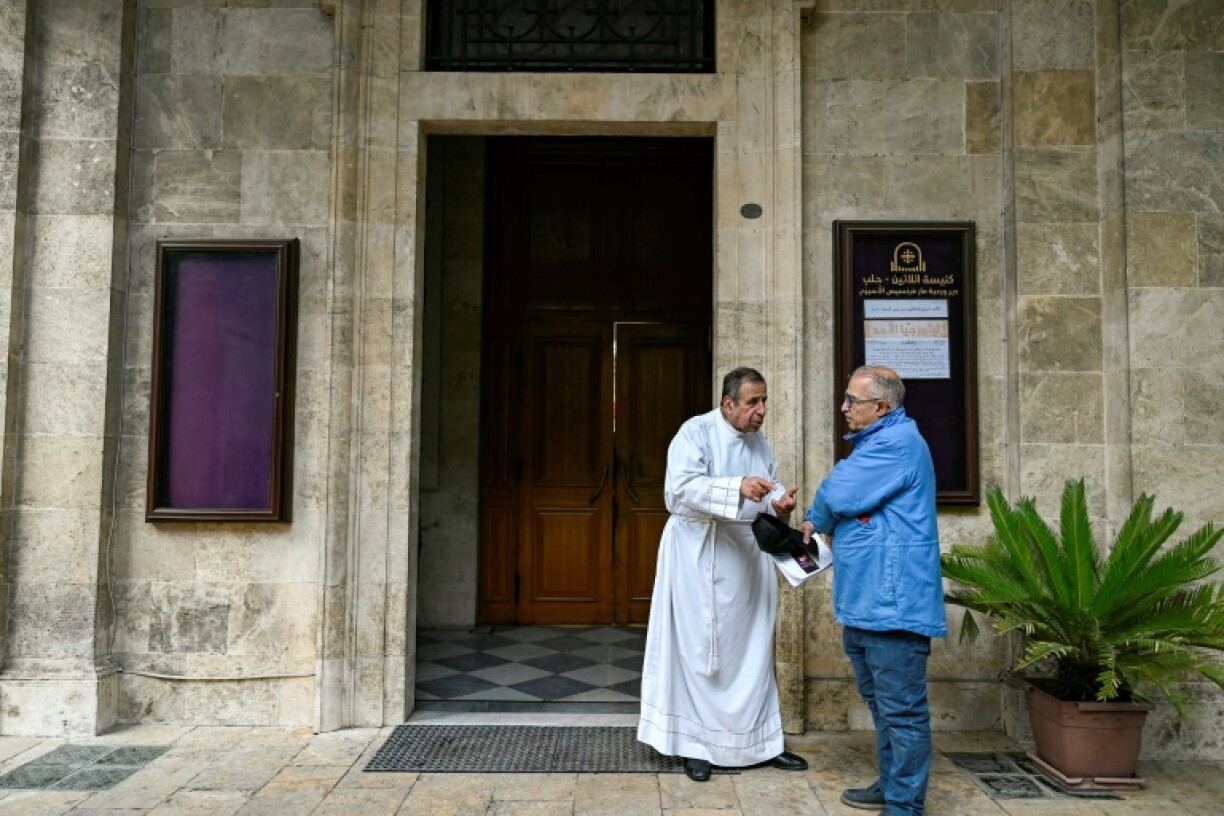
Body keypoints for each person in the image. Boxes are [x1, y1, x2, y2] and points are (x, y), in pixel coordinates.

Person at [637, 367, 809, 782]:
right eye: (752, 402)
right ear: (728, 403)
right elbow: (677, 490)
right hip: (699, 555)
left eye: (764, 401)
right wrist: (735, 487)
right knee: (701, 652)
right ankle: (697, 746)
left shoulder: (760, 442)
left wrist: (779, 503)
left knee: (750, 653)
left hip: (746, 559)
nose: (761, 410)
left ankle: (762, 743)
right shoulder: (694, 433)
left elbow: (766, 488)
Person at [800, 365, 946, 816]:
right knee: (884, 707)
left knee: (902, 711)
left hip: (893, 605)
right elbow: (846, 497)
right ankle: (892, 785)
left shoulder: (896, 444)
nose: (844, 408)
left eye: (852, 401)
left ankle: (905, 806)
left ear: (881, 407)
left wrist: (823, 515)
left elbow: (839, 492)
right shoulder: (878, 443)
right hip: (868, 604)